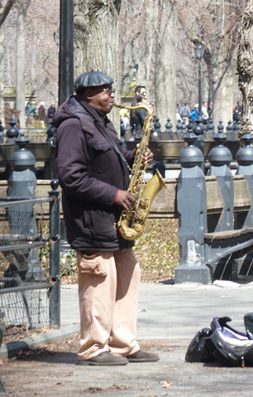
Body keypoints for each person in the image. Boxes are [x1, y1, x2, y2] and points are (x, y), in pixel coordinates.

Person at [53, 70, 159, 366]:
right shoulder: (73, 125)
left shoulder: (101, 122)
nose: (112, 96)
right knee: (99, 282)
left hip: (114, 221)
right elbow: (70, 176)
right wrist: (115, 195)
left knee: (128, 273)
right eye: (106, 91)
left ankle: (122, 343)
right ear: (88, 94)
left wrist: (131, 156)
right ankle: (92, 349)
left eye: (111, 91)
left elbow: (103, 159)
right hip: (91, 220)